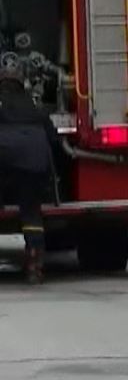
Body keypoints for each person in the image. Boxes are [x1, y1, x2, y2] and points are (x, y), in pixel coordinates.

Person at [0, 65, 60, 284]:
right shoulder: (35, 105)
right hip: (34, 164)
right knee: (31, 211)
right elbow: (53, 138)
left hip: (5, 162)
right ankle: (35, 263)